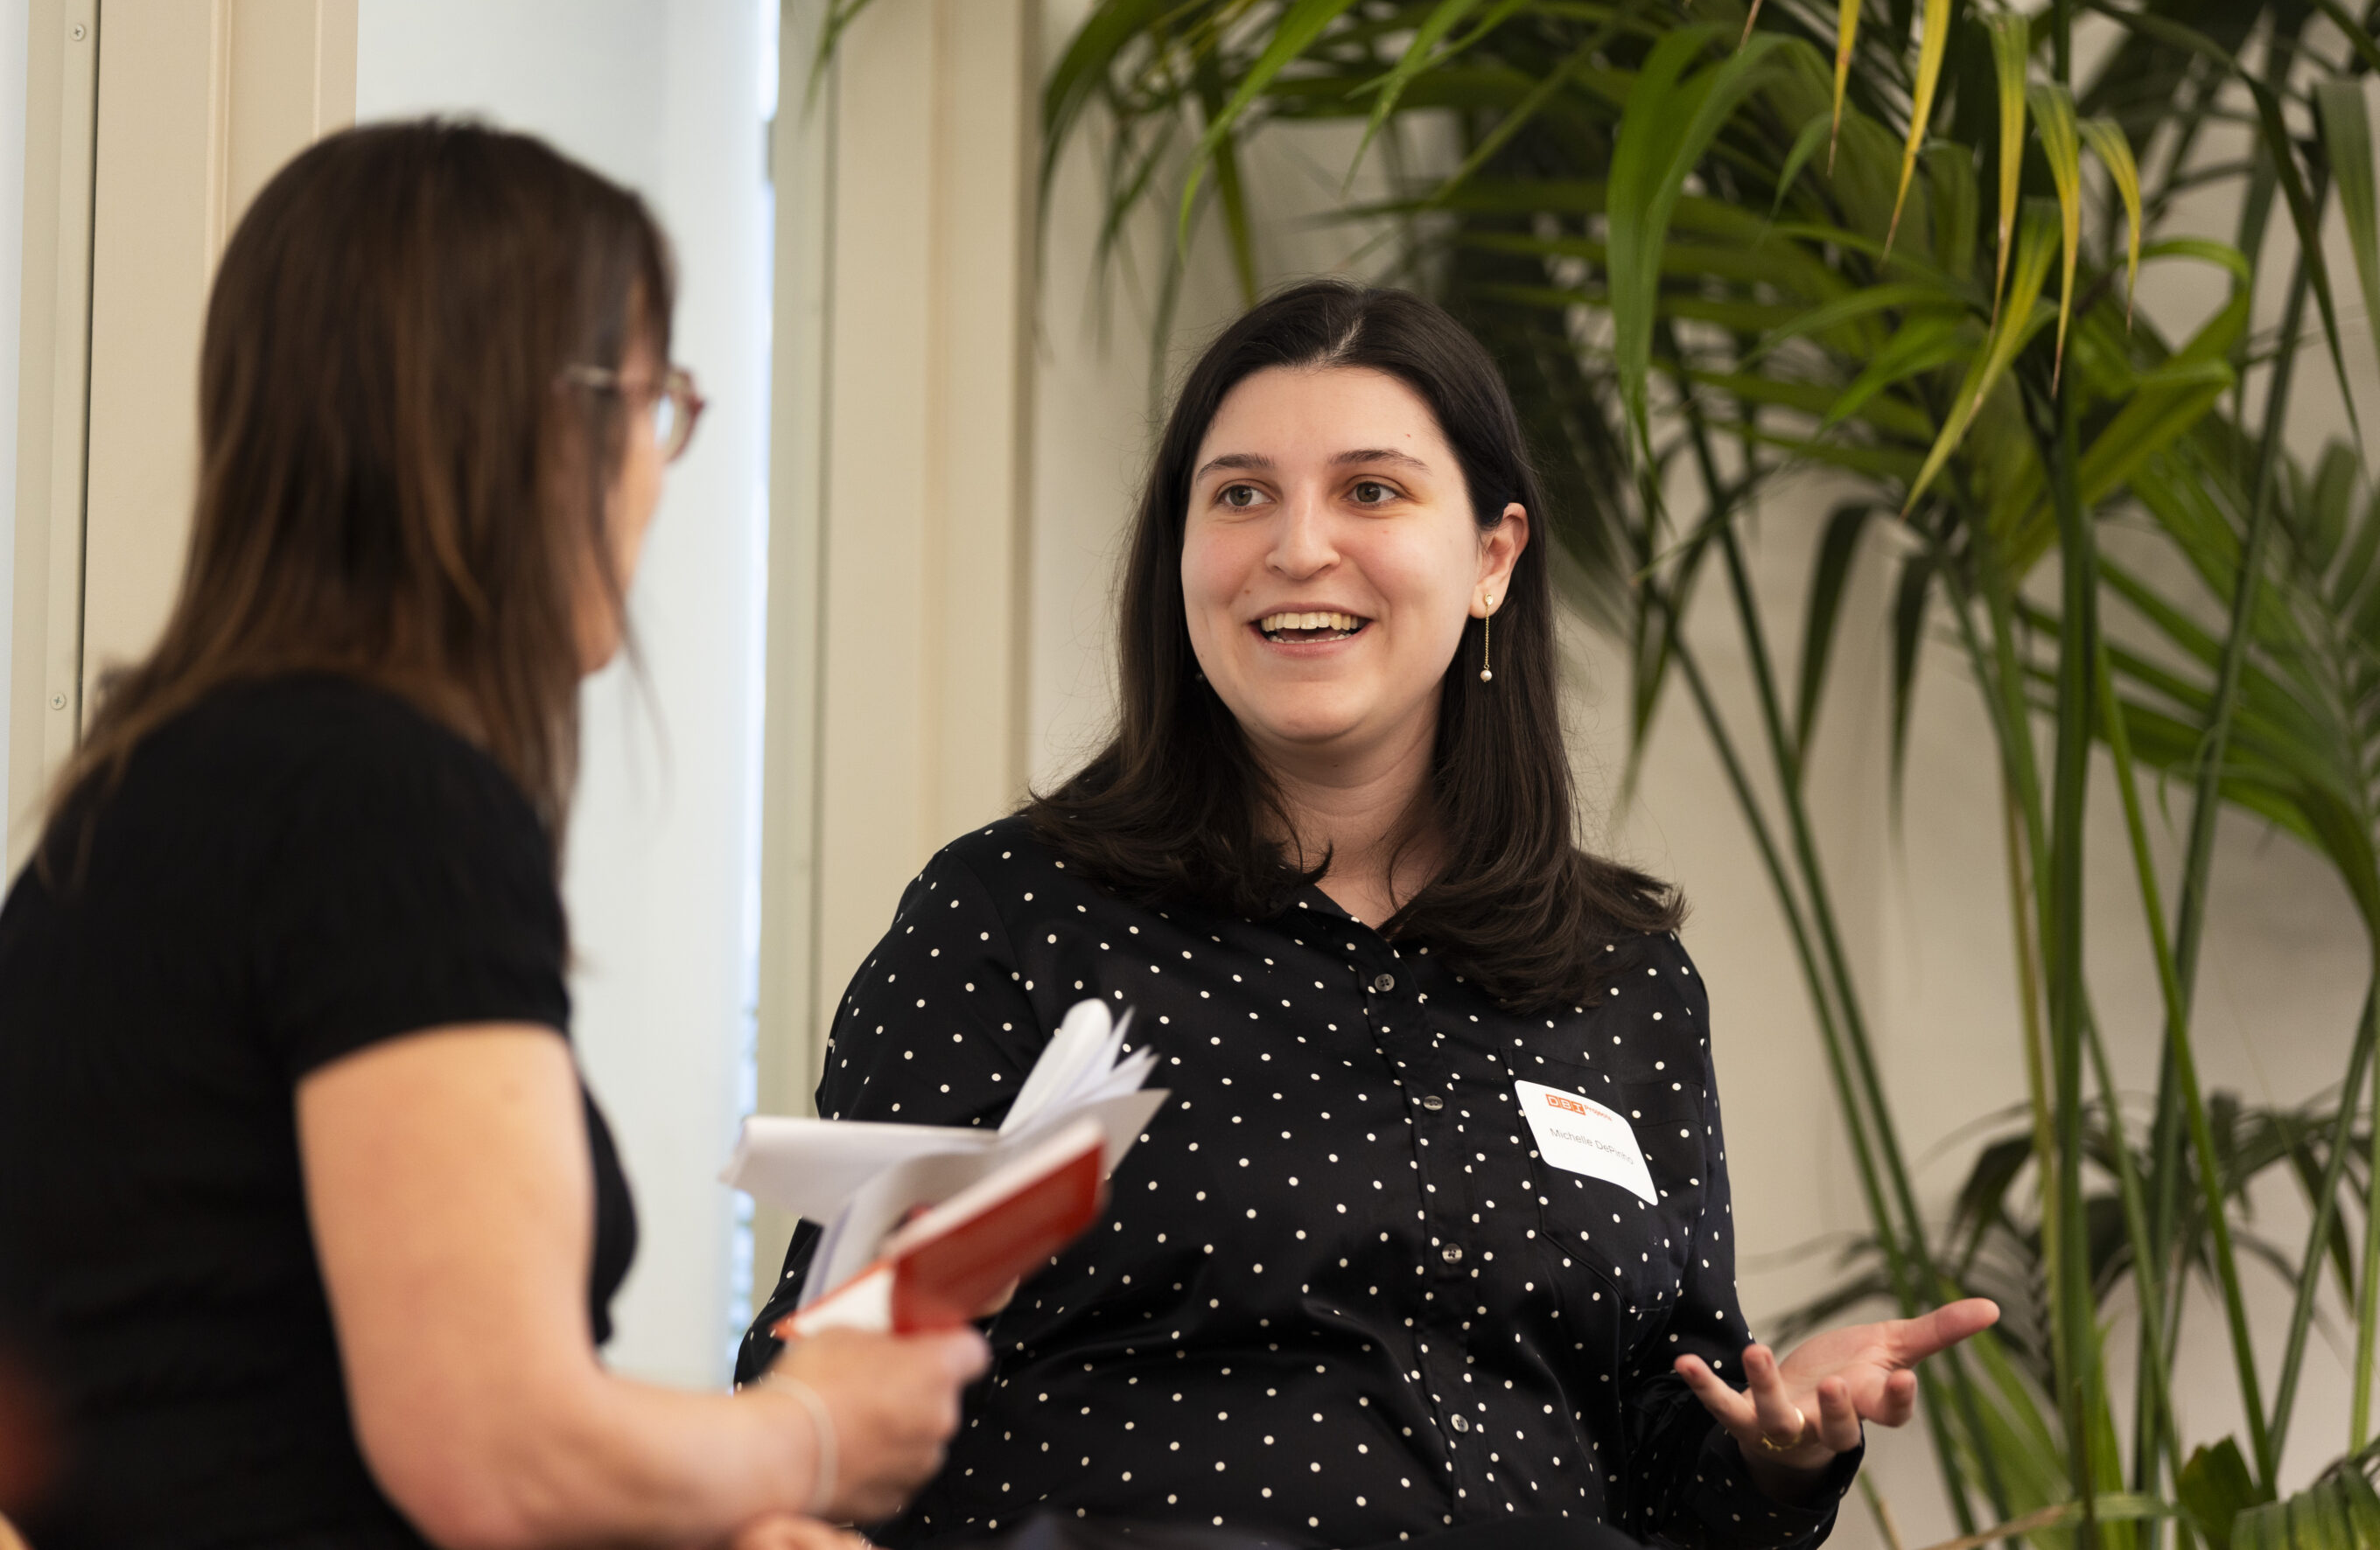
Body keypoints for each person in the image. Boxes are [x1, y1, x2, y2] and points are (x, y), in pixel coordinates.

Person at [738, 281, 1996, 1549]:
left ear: (1493, 558)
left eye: (1371, 491)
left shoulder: (1624, 977)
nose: (1297, 548)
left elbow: (1675, 1477)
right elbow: (812, 1391)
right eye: (1241, 495)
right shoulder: (1012, 916)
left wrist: (1777, 1448)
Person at [0, 120, 986, 1550]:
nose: (658, 474)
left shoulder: (145, 792)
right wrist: (814, 1432)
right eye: (655, 406)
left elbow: (246, 1406)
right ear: (531, 420)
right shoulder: (380, 800)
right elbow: (494, 1454)